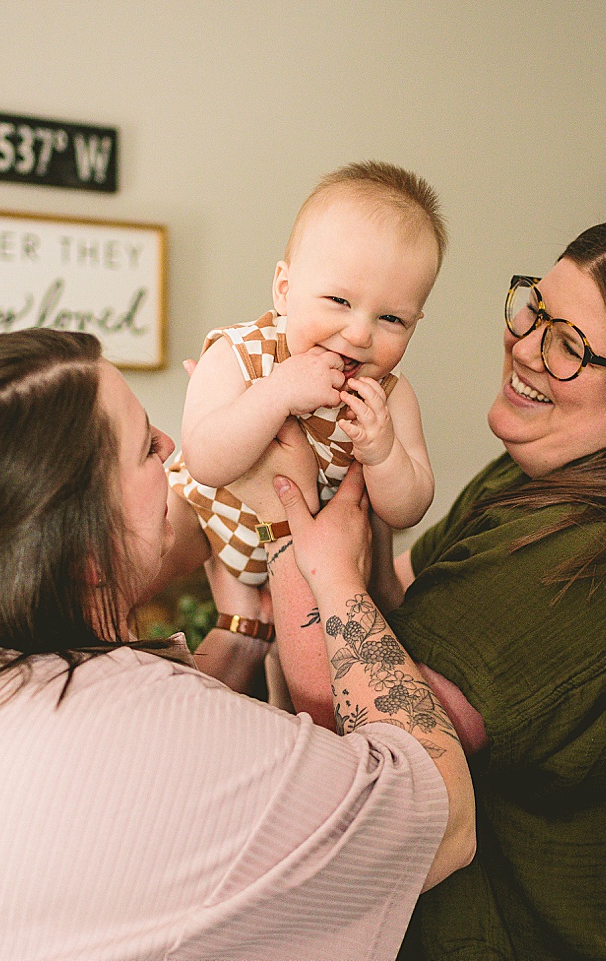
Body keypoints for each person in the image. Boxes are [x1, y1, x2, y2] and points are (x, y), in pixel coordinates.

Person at [243, 217, 606, 960]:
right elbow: (393, 619)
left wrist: (279, 509)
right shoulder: (535, 472)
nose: (525, 346)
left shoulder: (599, 565)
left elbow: (365, 745)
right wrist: (357, 493)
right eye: (535, 308)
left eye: (570, 344)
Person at [0, 329, 474, 961]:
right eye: (147, 447)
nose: (172, 446)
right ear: (85, 547)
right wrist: (321, 565)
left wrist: (242, 630)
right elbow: (442, 818)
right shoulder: (121, 726)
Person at [162, 161, 442, 691]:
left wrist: (383, 453)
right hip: (207, 518)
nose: (359, 333)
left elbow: (409, 506)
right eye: (339, 301)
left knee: (307, 678)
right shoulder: (241, 355)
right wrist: (276, 393)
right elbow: (206, 460)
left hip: (296, 560)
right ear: (284, 289)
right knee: (143, 549)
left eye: (392, 319)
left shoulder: (389, 397)